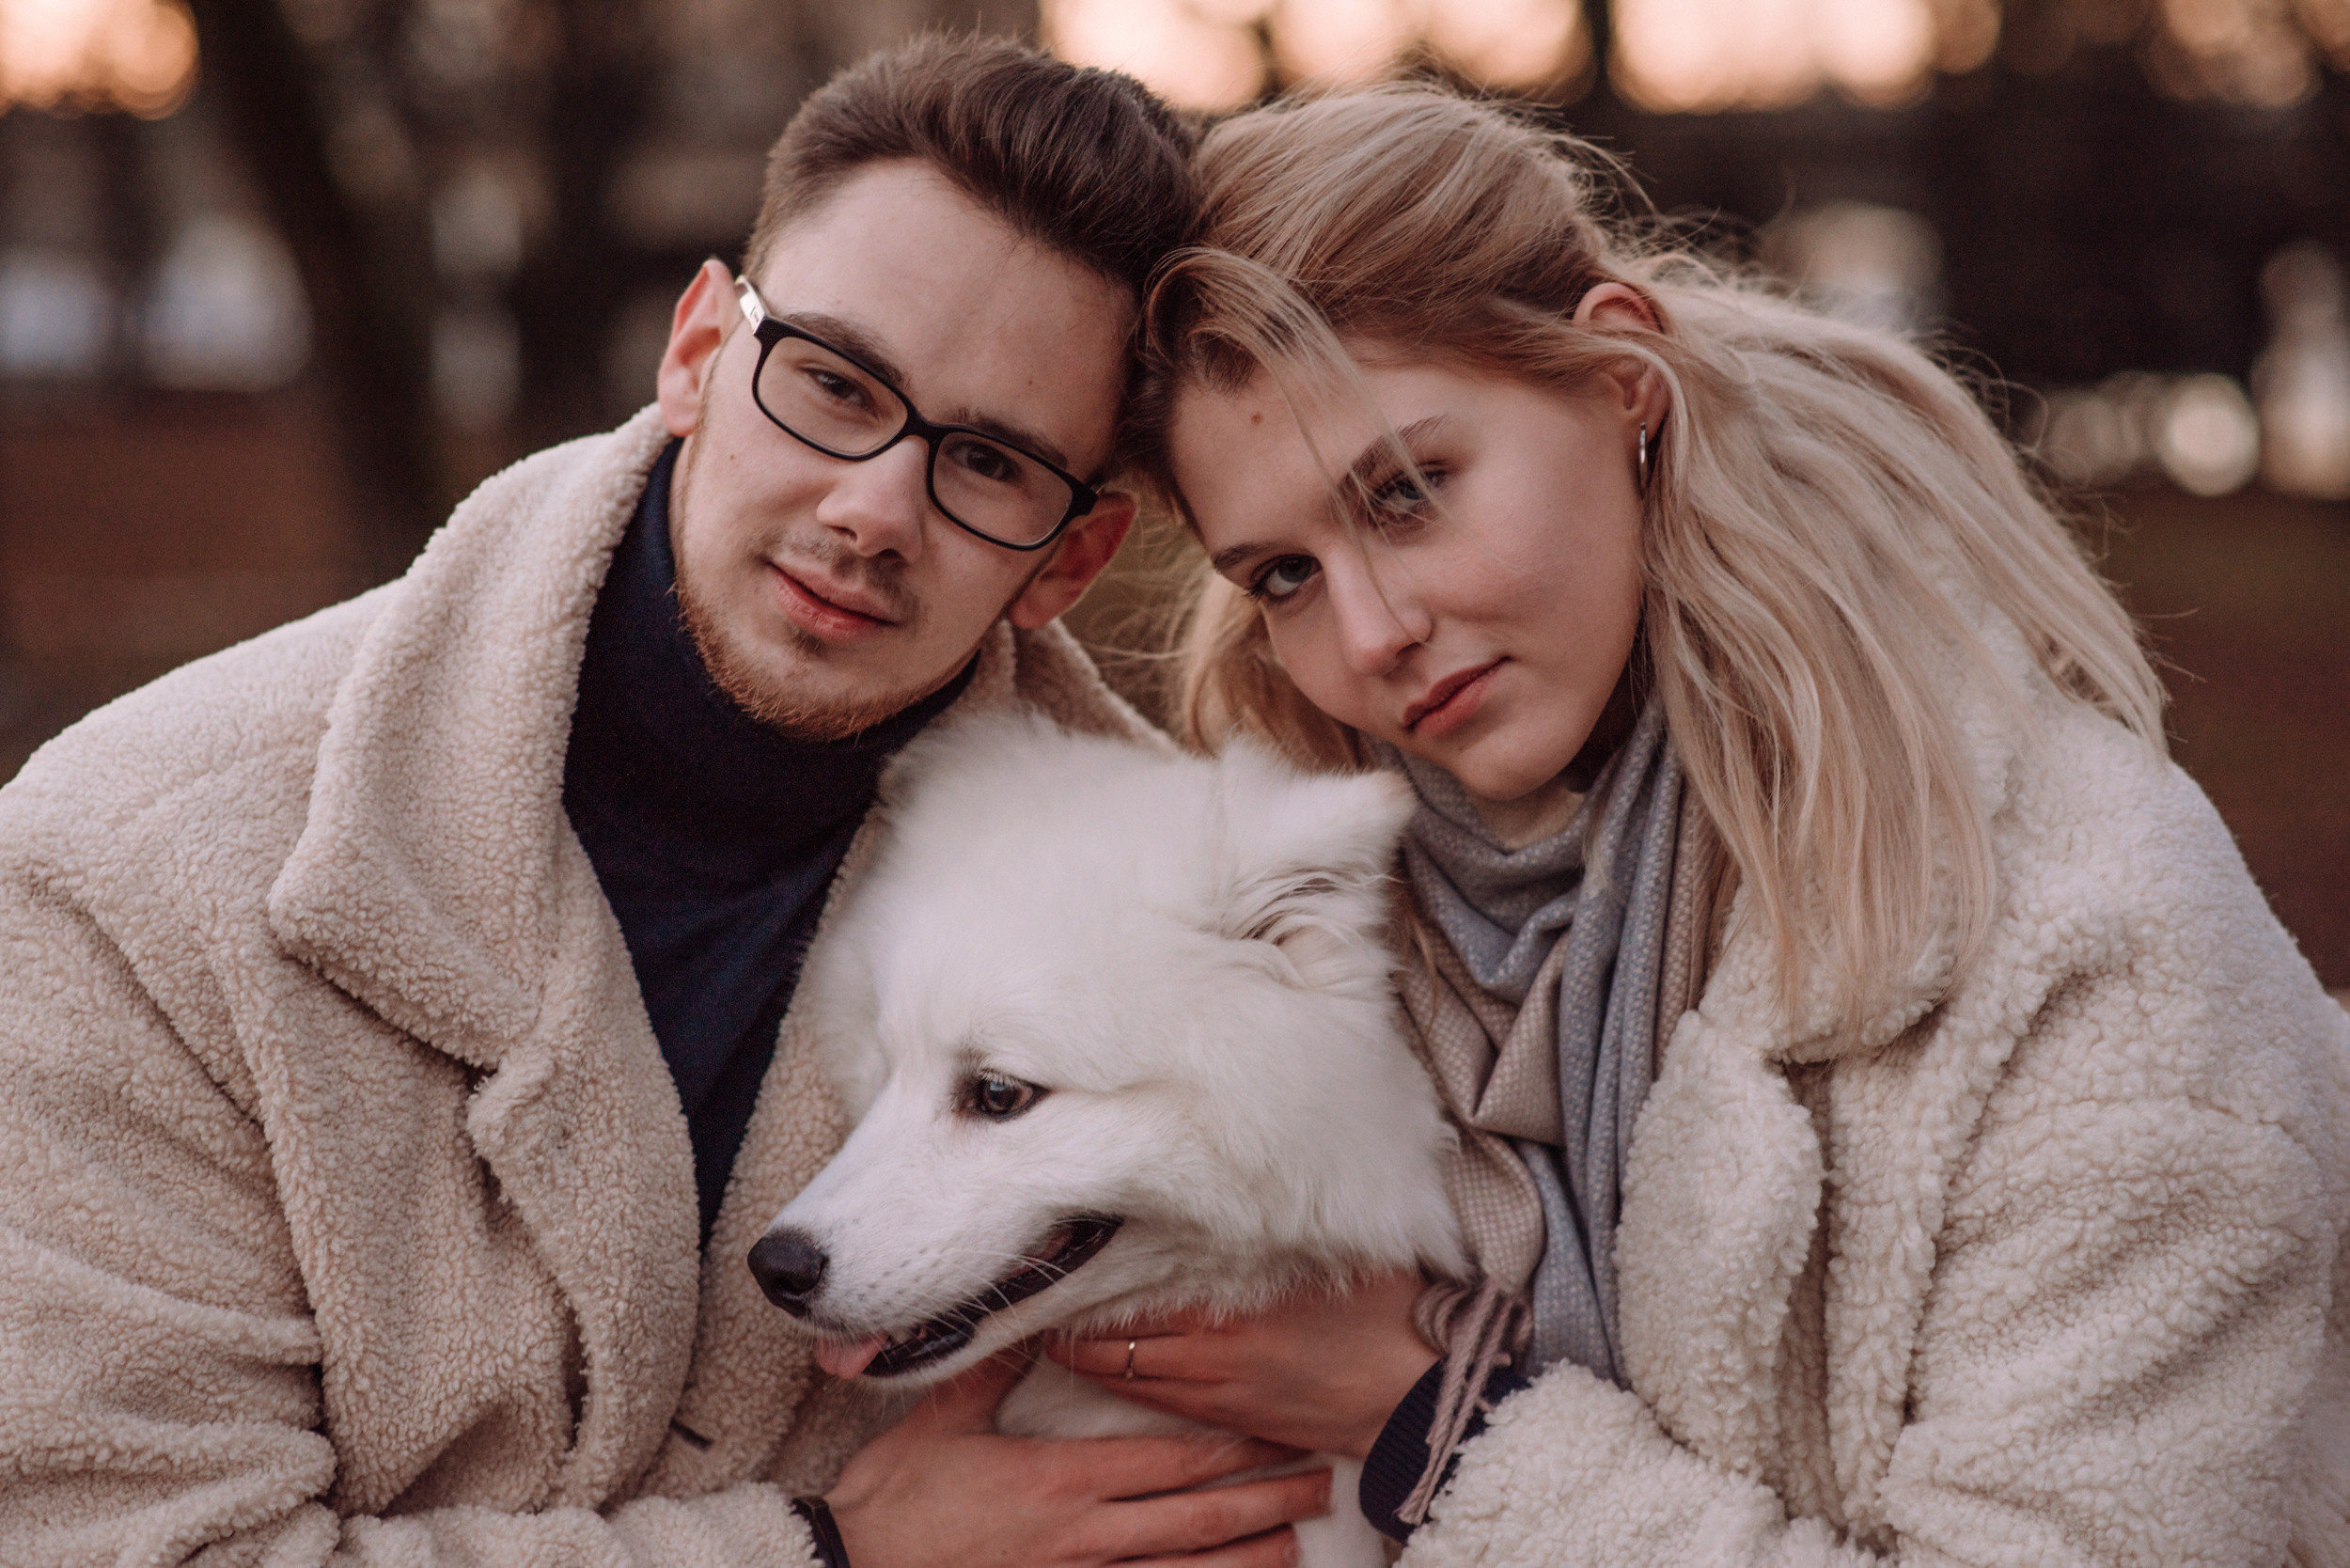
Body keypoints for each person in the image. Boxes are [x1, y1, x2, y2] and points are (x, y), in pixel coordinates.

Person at [0, 37, 1336, 1568]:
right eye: (834, 382)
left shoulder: (1183, 943)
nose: (872, 511)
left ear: (1072, 561)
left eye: (988, 463)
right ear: (700, 349)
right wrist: (829, 1555)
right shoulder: (124, 879)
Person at [1046, 85, 2350, 1564]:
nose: (1372, 631)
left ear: (1625, 377)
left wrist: (1442, 1430)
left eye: (1409, 491)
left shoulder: (2088, 935)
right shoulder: (1322, 927)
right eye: (1281, 574)